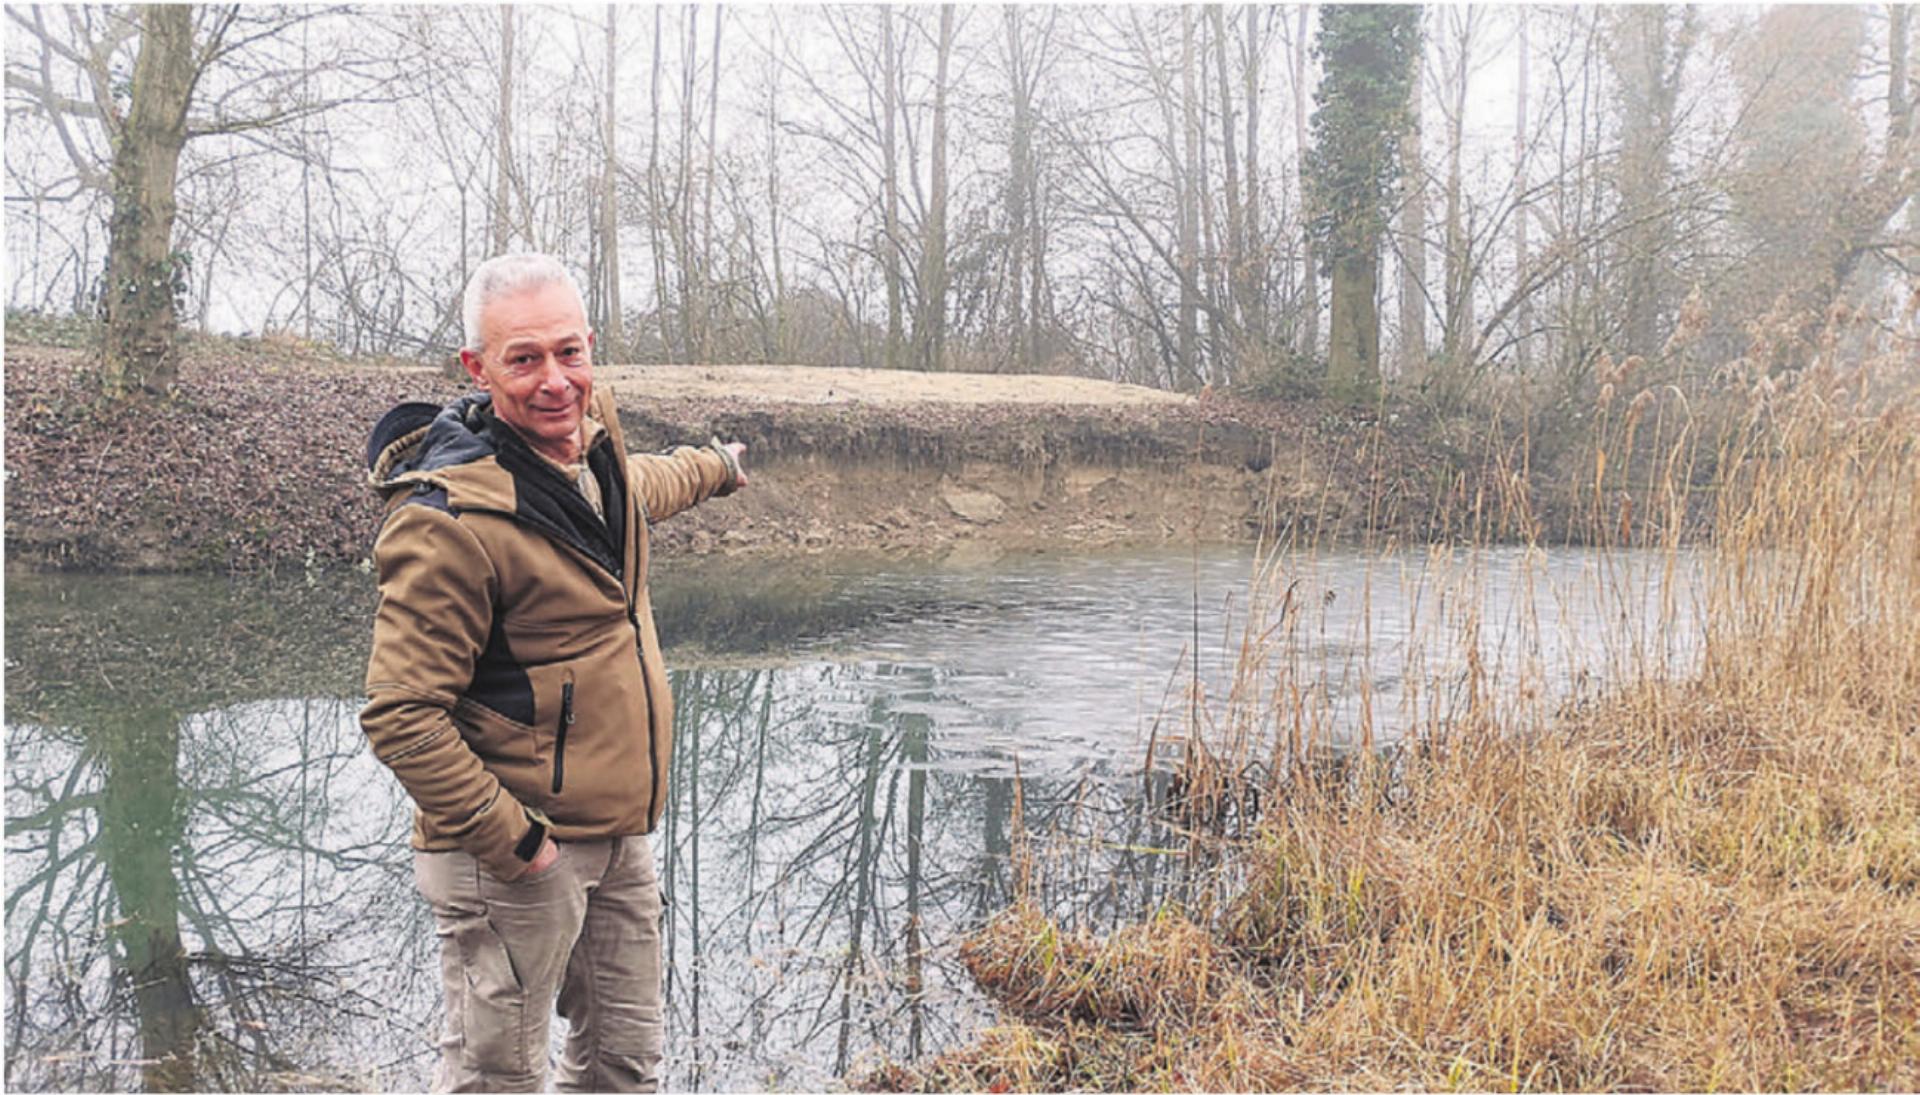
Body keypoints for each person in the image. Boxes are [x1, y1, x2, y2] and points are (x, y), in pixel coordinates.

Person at [360, 253, 745, 1092]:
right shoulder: (446, 521)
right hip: (515, 853)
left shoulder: (591, 448)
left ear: (591, 349)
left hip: (616, 834)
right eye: (524, 358)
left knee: (624, 1066)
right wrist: (521, 845)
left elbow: (636, 490)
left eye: (569, 353)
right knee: (499, 1078)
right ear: (477, 367)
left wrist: (717, 466)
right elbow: (400, 714)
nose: (554, 380)